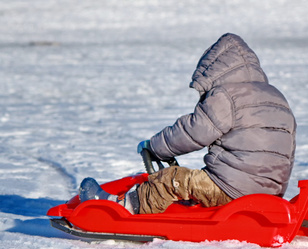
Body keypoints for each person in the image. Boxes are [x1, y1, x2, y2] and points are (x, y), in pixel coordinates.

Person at [79, 33, 296, 214]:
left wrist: (154, 147)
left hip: (234, 189)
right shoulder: (276, 97)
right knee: (197, 179)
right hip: (270, 193)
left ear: (215, 72)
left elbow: (194, 131)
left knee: (173, 179)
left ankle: (120, 207)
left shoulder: (227, 95)